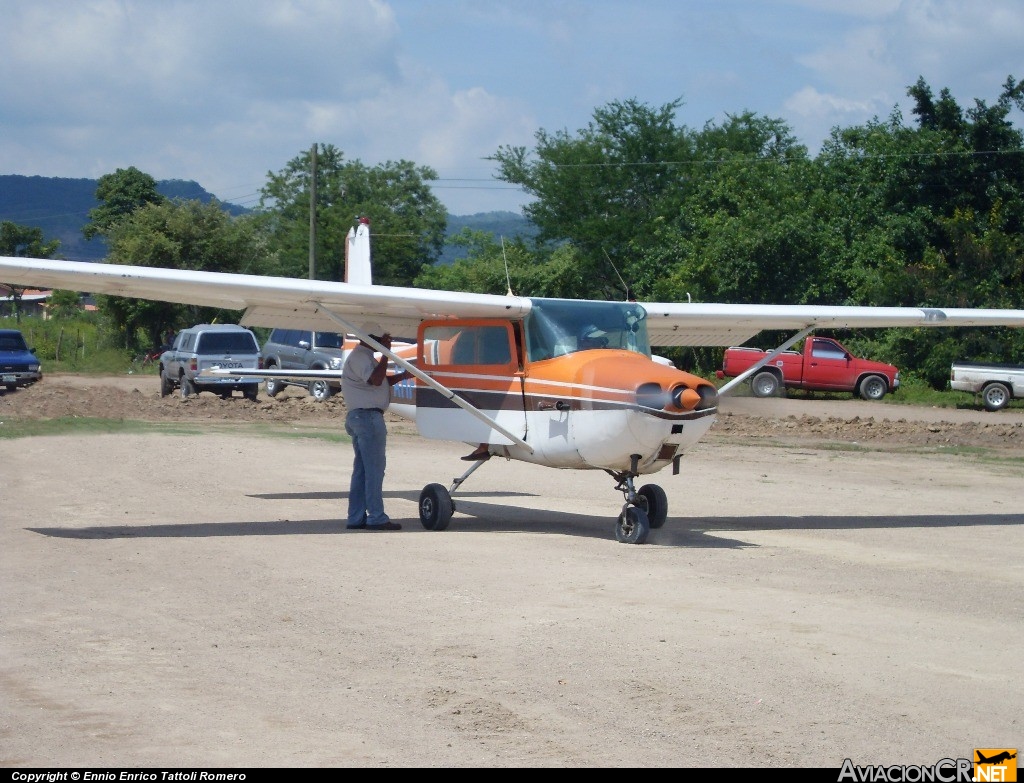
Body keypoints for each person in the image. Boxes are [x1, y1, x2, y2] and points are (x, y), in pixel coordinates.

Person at [340, 322, 412, 530]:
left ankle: (356, 517)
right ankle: (376, 516)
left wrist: (403, 376)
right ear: (374, 339)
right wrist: (386, 354)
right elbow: (375, 380)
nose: (385, 343)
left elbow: (378, 380)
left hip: (361, 417)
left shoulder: (363, 357)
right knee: (374, 471)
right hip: (368, 418)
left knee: (362, 471)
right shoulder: (362, 357)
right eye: (383, 340)